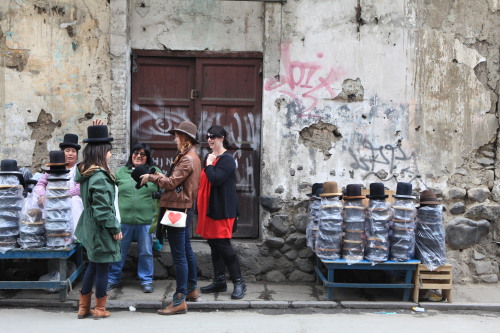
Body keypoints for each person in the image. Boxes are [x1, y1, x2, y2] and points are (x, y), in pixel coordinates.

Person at [140, 120, 201, 315]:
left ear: (184, 138)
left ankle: (179, 299)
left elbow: (171, 183)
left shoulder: (187, 159)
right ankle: (191, 289)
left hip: (177, 209)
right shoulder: (189, 157)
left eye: (177, 135)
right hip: (182, 208)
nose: (174, 139)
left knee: (179, 255)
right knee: (186, 250)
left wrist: (152, 177)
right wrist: (159, 175)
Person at [75, 124, 122, 319]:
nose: (111, 155)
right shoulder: (100, 177)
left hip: (91, 227)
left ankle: (83, 308)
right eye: (109, 152)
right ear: (102, 152)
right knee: (103, 267)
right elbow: (103, 210)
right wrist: (114, 228)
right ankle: (100, 309)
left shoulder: (87, 172)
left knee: (93, 266)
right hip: (100, 229)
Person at [196, 125, 246, 299]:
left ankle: (239, 282)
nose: (210, 139)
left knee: (224, 246)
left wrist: (209, 164)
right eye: (208, 136)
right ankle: (219, 281)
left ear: (222, 138)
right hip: (211, 209)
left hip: (223, 210)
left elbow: (216, 179)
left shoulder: (227, 159)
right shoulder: (210, 157)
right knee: (214, 245)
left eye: (214, 136)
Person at [107, 143, 161, 293]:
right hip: (123, 221)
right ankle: (113, 278)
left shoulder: (154, 172)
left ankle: (146, 280)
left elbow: (163, 191)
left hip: (146, 220)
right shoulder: (121, 172)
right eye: (135, 153)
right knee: (119, 250)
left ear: (147, 157)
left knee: (146, 251)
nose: (138, 156)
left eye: (142, 154)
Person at [34, 134, 83, 238]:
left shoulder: (80, 169)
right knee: (35, 200)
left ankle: (76, 237)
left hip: (70, 203)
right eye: (67, 150)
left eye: (73, 151)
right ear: (62, 153)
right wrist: (42, 195)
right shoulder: (54, 169)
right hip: (54, 202)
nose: (70, 154)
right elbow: (40, 184)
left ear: (77, 154)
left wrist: (61, 195)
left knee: (76, 200)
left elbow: (80, 188)